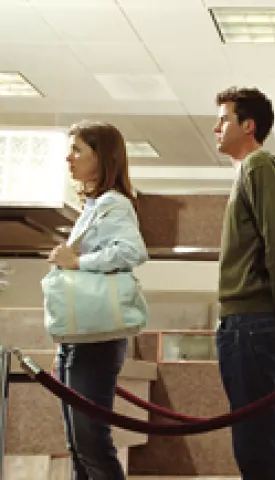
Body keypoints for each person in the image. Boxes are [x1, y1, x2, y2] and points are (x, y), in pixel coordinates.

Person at [212, 86, 275, 480]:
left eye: (224, 120)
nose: (216, 127)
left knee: (257, 442)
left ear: (248, 125)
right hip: (246, 323)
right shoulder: (250, 170)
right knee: (255, 437)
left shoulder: (260, 166)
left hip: (251, 322)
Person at [51, 120, 148, 480]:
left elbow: (132, 251)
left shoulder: (113, 204)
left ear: (101, 157)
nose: (69, 158)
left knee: (91, 443)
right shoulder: (95, 207)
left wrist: (77, 262)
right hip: (81, 337)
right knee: (79, 445)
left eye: (77, 150)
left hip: (95, 340)